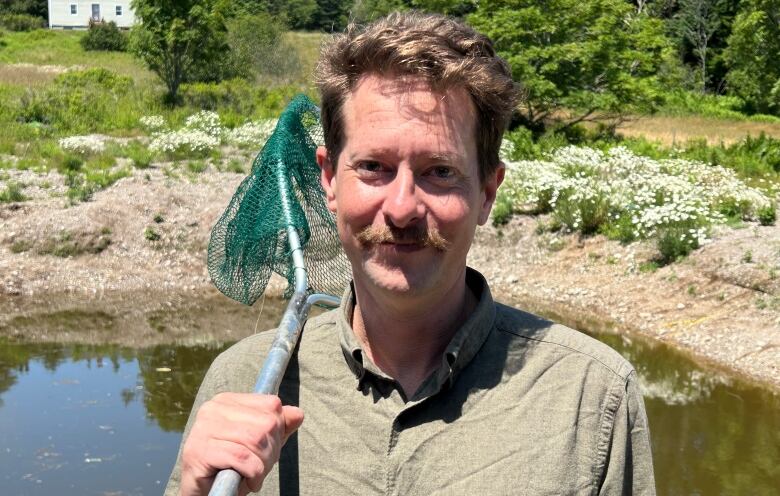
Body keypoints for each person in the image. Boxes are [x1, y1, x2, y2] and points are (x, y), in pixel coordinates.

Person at [166, 11, 655, 496]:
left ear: (487, 192)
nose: (401, 209)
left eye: (439, 171)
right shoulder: (239, 386)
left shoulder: (593, 397)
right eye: (374, 167)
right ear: (330, 180)